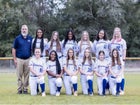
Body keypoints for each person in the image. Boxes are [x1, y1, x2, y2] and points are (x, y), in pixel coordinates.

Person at [12, 24, 32, 94]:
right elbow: (14, 49)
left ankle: (26, 89)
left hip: (28, 59)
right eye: (23, 29)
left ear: (27, 30)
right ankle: (20, 89)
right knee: (19, 75)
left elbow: (32, 49)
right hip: (19, 59)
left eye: (25, 29)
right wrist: (14, 59)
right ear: (21, 30)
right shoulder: (17, 38)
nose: (24, 30)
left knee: (27, 75)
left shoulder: (30, 38)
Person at [110, 27, 127, 95]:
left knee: (121, 75)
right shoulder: (112, 41)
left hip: (120, 59)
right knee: (112, 73)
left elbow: (124, 50)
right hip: (113, 59)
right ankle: (113, 88)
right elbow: (110, 50)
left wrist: (123, 59)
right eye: (115, 31)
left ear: (120, 32)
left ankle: (121, 89)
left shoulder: (123, 41)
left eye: (118, 31)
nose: (116, 32)